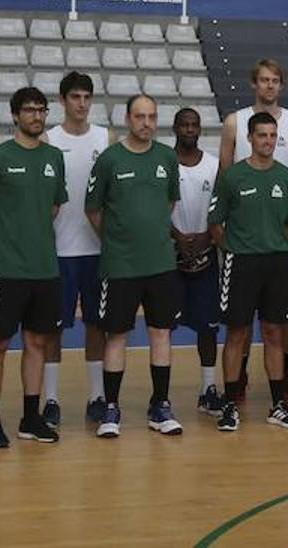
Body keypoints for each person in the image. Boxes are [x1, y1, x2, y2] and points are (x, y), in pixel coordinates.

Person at [0, 86, 68, 448]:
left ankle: (31, 417)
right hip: (5, 269)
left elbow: (55, 205)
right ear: (14, 115)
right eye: (28, 110)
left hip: (44, 268)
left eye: (41, 110)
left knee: (37, 343)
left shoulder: (54, 157)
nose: (36, 116)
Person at [218, 58, 288, 405]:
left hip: (277, 233)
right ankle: (237, 378)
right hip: (243, 237)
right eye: (264, 80)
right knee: (240, 321)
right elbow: (224, 177)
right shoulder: (235, 122)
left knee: (279, 317)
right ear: (253, 84)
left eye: (275, 80)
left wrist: (287, 230)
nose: (270, 85)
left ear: (282, 85)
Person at [85, 95, 183, 438]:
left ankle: (160, 405)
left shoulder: (167, 157)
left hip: (160, 263)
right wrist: (117, 238)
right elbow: (93, 209)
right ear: (128, 119)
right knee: (117, 336)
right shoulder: (110, 159)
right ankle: (111, 408)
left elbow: (169, 202)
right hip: (120, 265)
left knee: (161, 333)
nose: (147, 123)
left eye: (152, 117)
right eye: (140, 116)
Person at [209, 112, 288, 432]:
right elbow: (215, 224)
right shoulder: (232, 177)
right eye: (261, 135)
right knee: (237, 333)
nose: (267, 141)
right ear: (249, 138)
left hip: (277, 264)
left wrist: (273, 243)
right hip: (241, 264)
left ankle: (278, 404)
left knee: (274, 332)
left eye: (272, 136)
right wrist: (237, 248)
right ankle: (231, 404)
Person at [42, 71, 110, 427]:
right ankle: (50, 399)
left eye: (86, 97)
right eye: (75, 97)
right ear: (62, 100)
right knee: (53, 328)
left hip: (97, 249)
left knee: (97, 326)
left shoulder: (104, 138)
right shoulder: (49, 139)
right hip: (58, 251)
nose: (81, 104)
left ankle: (96, 396)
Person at [170, 107, 223, 416]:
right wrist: (176, 235)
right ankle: (161, 395)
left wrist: (208, 237)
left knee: (208, 327)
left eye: (194, 125)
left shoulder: (215, 166)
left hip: (206, 254)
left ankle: (207, 388)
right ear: (176, 128)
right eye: (184, 125)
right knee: (164, 327)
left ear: (200, 129)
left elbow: (222, 210)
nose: (189, 129)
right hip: (170, 255)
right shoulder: (163, 163)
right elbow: (155, 206)